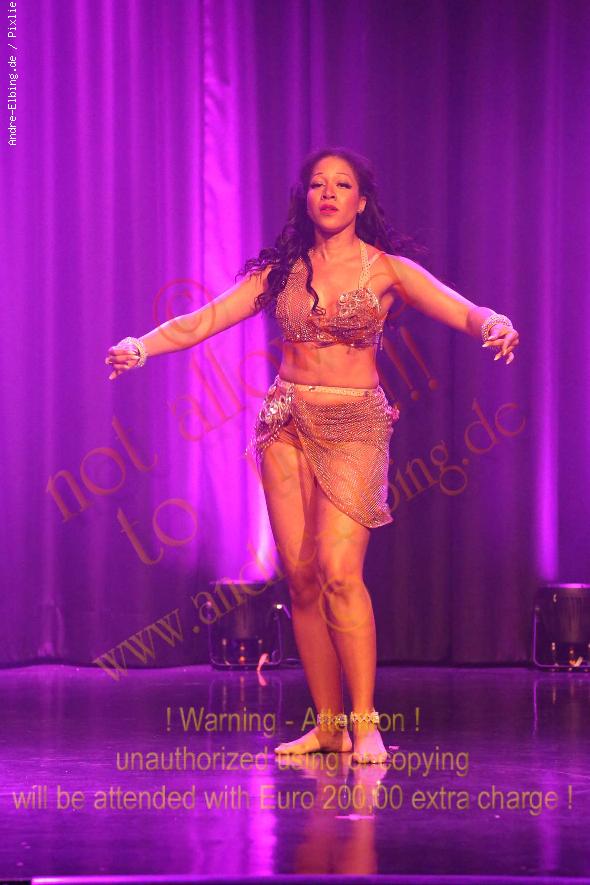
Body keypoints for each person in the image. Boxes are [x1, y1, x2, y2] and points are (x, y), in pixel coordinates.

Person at [105, 146, 520, 763]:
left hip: (355, 425)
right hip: (286, 423)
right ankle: (328, 726)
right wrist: (141, 346)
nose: (329, 193)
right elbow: (204, 320)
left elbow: (461, 308)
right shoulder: (282, 272)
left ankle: (365, 723)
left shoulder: (387, 270)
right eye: (319, 184)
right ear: (305, 199)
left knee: (340, 573)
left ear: (361, 201)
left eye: (342, 184)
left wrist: (494, 324)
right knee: (301, 579)